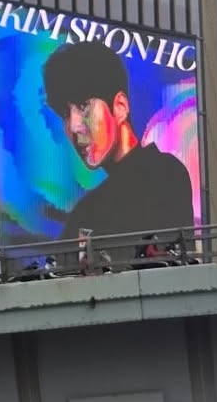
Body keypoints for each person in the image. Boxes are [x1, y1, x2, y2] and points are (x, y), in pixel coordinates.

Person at [44, 40, 194, 254]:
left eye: (83, 105)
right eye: (66, 113)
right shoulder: (86, 212)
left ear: (120, 107)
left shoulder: (164, 175)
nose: (74, 125)